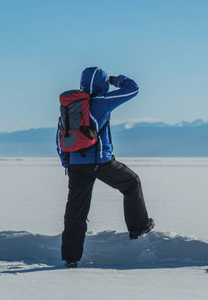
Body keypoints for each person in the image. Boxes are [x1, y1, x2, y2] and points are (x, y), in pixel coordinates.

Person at [57, 67, 154, 268]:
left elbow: (60, 138)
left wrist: (68, 162)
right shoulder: (101, 102)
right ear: (101, 83)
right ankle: (139, 229)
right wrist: (114, 80)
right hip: (100, 162)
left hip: (75, 164)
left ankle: (70, 257)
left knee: (76, 211)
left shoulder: (71, 106)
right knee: (131, 183)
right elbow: (132, 89)